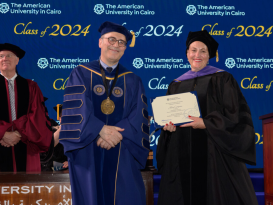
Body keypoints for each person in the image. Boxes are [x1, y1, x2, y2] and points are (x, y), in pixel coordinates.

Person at [156, 30, 258, 205]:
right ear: (187, 53)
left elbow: (236, 116)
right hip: (181, 154)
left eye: (203, 51)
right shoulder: (176, 84)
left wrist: (206, 123)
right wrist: (168, 128)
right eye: (193, 50)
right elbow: (170, 118)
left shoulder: (223, 79)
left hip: (214, 155)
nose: (197, 55)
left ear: (210, 54)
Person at [59, 21, 149, 205]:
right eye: (111, 40)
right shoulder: (81, 73)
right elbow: (76, 109)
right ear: (100, 42)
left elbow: (138, 115)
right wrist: (100, 129)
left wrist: (116, 134)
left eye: (121, 42)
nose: (116, 45)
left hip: (122, 147)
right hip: (88, 149)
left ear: (125, 48)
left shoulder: (133, 80)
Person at [0, 43, 52, 172]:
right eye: (1, 56)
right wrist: (2, 133)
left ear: (17, 60)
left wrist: (18, 133)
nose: (4, 58)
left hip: (25, 143)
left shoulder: (31, 86)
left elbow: (38, 116)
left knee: (27, 189)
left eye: (9, 55)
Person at [41, 104, 68, 171]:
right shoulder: (52, 128)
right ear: (60, 119)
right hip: (49, 167)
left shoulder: (77, 134)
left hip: (65, 167)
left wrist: (70, 162)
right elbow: (49, 145)